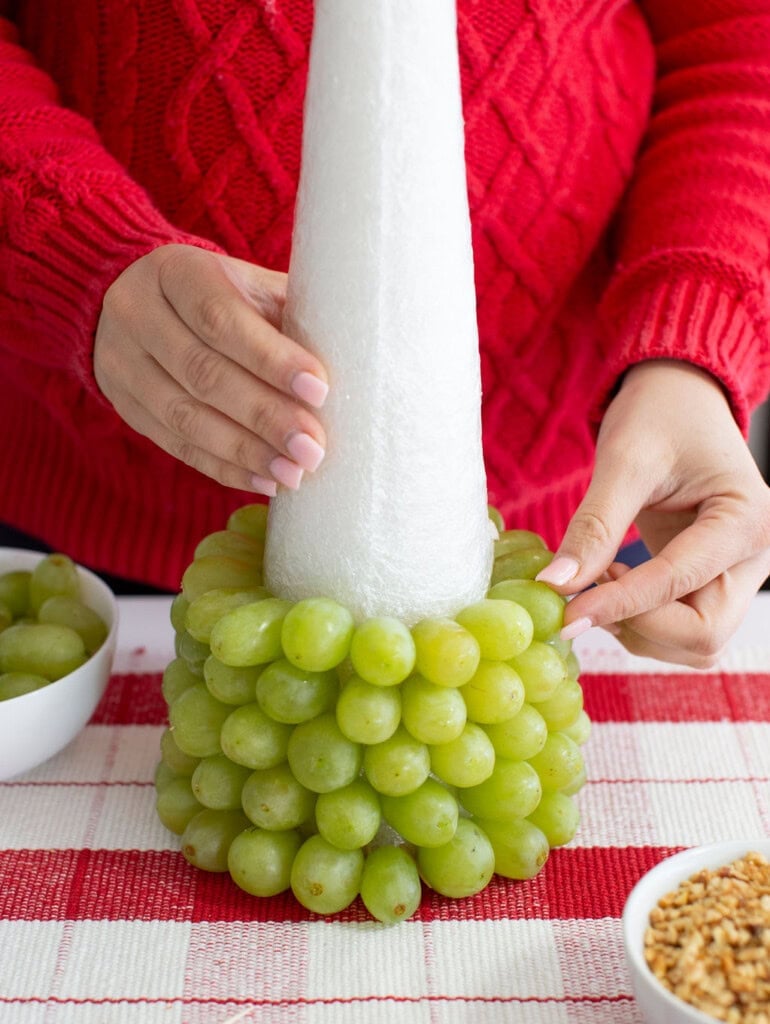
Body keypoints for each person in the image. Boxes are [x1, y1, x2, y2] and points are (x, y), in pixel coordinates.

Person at [1, 0, 769, 669]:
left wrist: (695, 343)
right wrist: (72, 249)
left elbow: (740, 40)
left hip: (577, 546)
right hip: (85, 536)